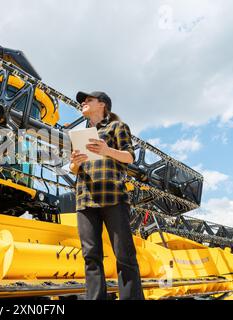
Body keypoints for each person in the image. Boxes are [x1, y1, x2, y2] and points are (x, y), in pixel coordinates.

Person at [69, 91, 144, 300]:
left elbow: (129, 157)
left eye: (88, 100)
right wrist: (75, 163)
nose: (83, 102)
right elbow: (74, 168)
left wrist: (106, 149)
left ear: (102, 104)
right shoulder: (81, 135)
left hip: (113, 197)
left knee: (124, 255)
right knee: (90, 256)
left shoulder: (117, 127)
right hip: (85, 199)